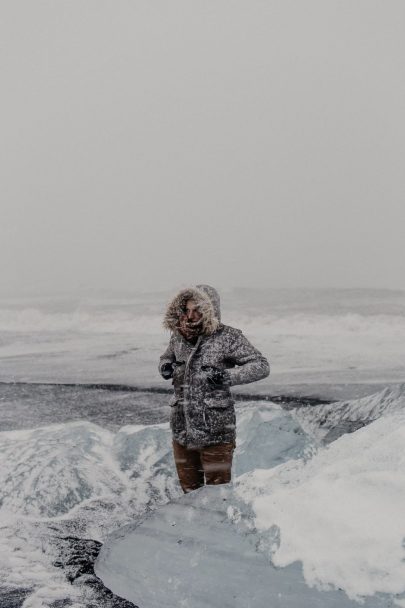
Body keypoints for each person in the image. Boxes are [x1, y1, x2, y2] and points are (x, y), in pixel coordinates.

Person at [159, 284, 270, 493]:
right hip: (182, 430)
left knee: (218, 495)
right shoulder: (177, 335)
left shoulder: (228, 337)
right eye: (186, 310)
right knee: (189, 493)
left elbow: (261, 366)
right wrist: (165, 366)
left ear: (210, 310)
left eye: (197, 309)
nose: (190, 315)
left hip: (216, 432)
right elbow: (166, 357)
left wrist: (226, 376)